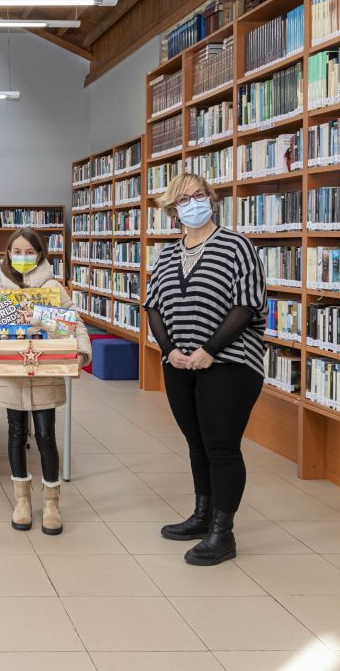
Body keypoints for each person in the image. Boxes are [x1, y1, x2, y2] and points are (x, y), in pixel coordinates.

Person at [145, 173, 266, 567]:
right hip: (179, 364)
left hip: (229, 362)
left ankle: (223, 533)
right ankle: (202, 516)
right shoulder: (167, 254)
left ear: (212, 199)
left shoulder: (237, 246)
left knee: (221, 446)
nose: (193, 203)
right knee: (196, 443)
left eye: (200, 195)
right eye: (184, 199)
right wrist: (170, 350)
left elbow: (246, 304)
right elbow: (153, 306)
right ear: (172, 209)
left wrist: (210, 349)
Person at [0, 228, 91, 535]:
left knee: (47, 435)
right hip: (12, 375)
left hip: (46, 373)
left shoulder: (52, 287)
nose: (23, 257)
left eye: (29, 252)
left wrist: (80, 353)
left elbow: (73, 322)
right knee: (16, 433)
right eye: (17, 252)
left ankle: (51, 502)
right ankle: (21, 500)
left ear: (40, 254)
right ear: (8, 254)